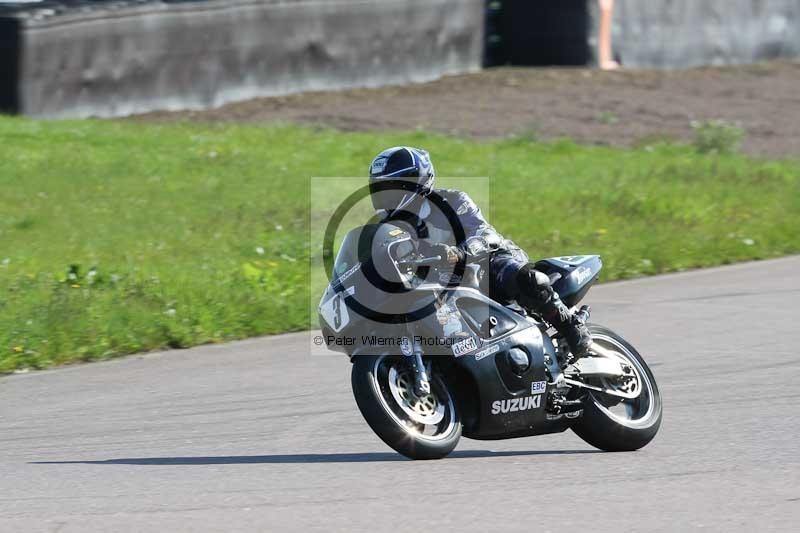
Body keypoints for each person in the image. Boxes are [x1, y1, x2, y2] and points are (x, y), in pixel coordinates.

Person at [368, 146, 592, 357]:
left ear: (417, 183)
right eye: (379, 188)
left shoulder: (453, 201)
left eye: (392, 187)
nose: (385, 195)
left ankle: (570, 325)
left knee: (522, 275)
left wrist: (459, 252)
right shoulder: (385, 226)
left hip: (482, 264)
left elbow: (485, 234)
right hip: (439, 282)